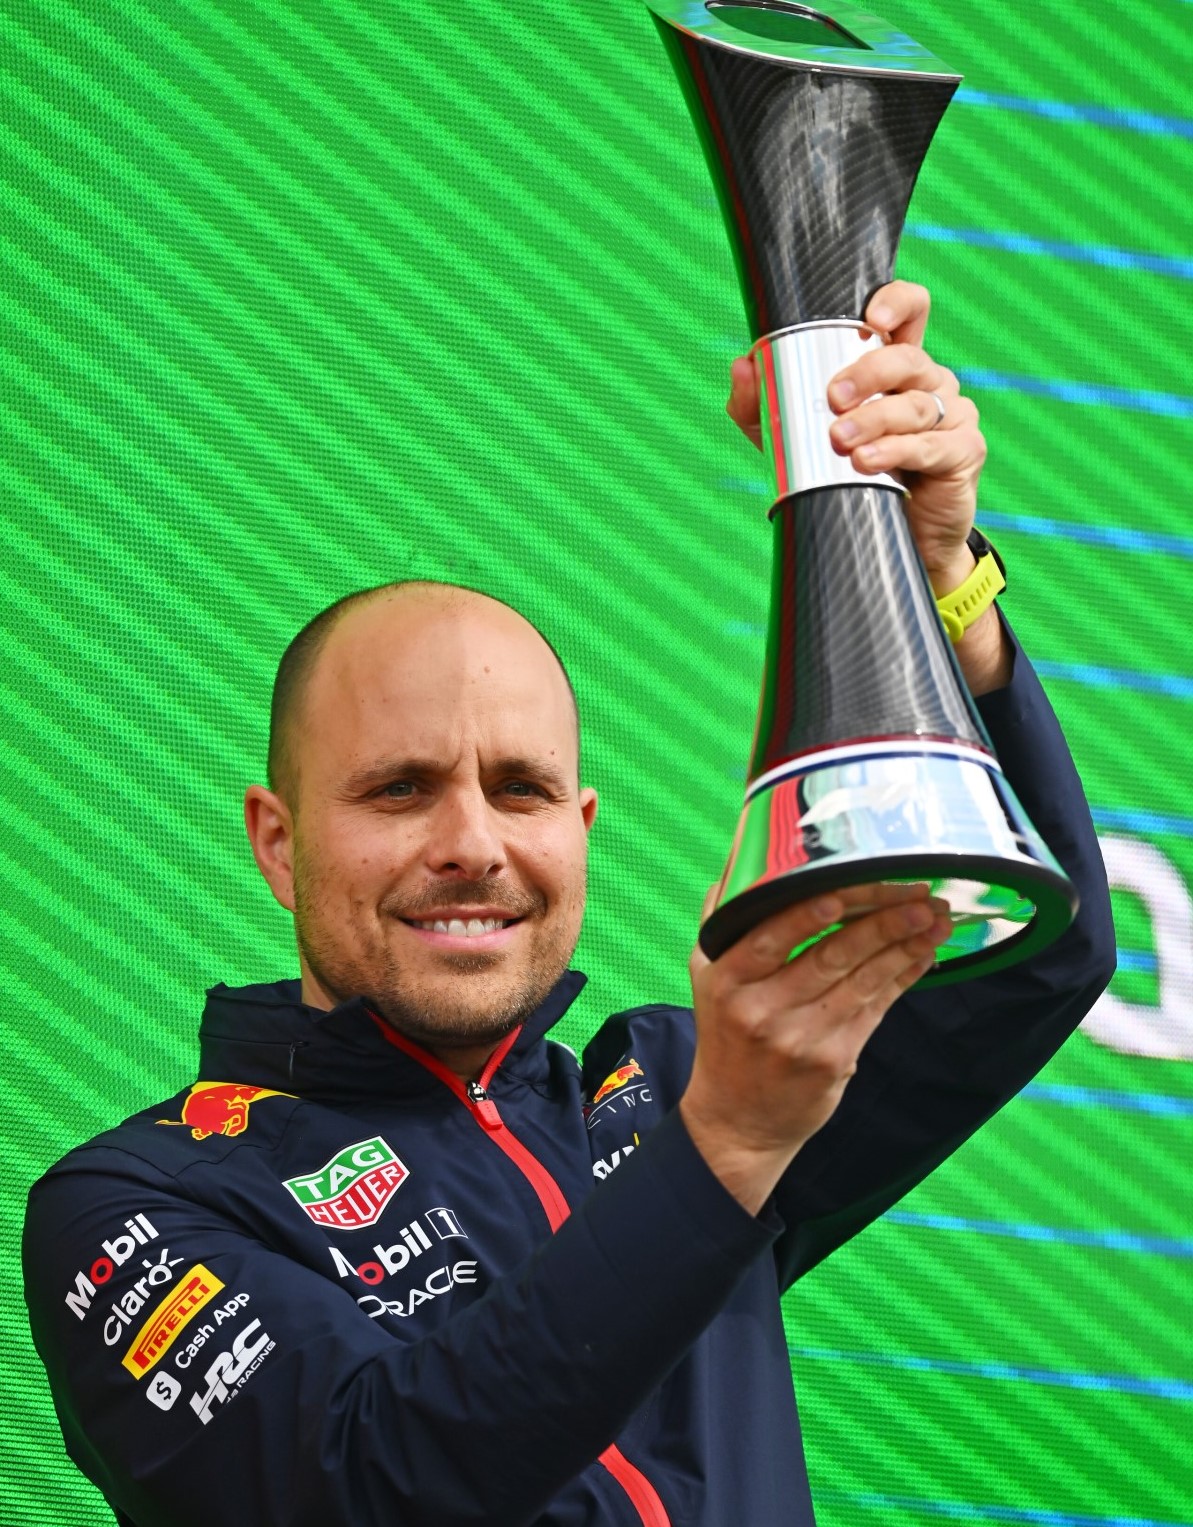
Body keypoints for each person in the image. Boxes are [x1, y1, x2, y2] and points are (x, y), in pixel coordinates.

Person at [23, 282, 1115, 1527]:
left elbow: (1042, 950)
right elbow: (377, 1488)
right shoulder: (137, 1204)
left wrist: (936, 589)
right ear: (279, 844)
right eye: (399, 790)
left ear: (579, 832)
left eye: (521, 789)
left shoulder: (672, 1084)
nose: (473, 844)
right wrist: (726, 1151)